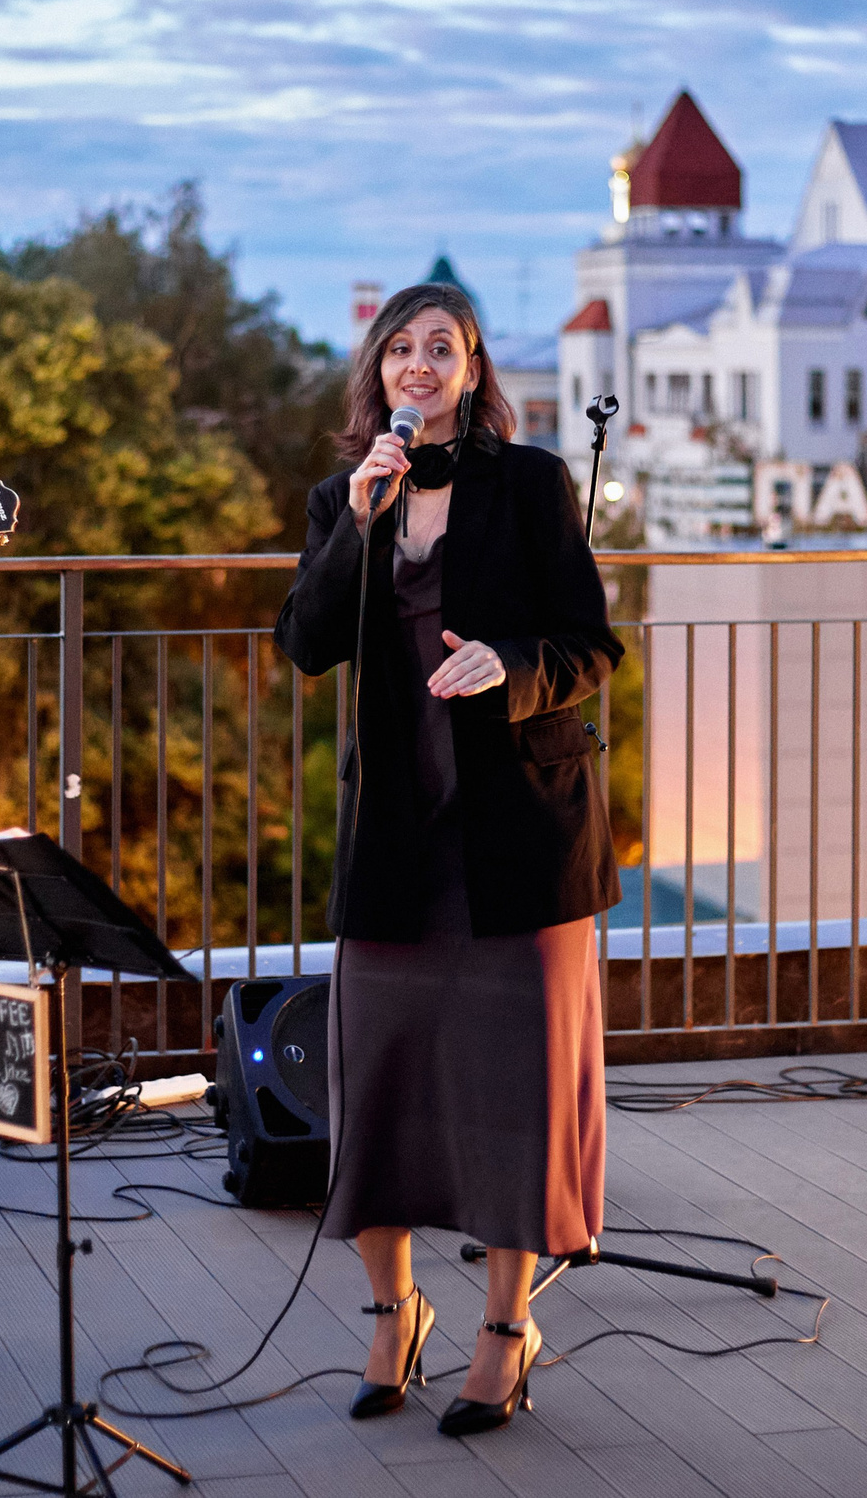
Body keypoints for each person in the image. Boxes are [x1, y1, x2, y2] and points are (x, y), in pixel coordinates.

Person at [272, 282, 621, 1437]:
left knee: (507, 1099)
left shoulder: (526, 486)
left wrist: (510, 668)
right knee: (379, 1089)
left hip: (518, 837)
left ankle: (506, 1331)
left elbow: (589, 645)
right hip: (396, 839)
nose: (419, 364)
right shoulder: (344, 496)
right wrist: (360, 527)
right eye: (400, 348)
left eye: (443, 348)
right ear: (374, 372)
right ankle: (393, 1311)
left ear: (472, 372)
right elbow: (306, 644)